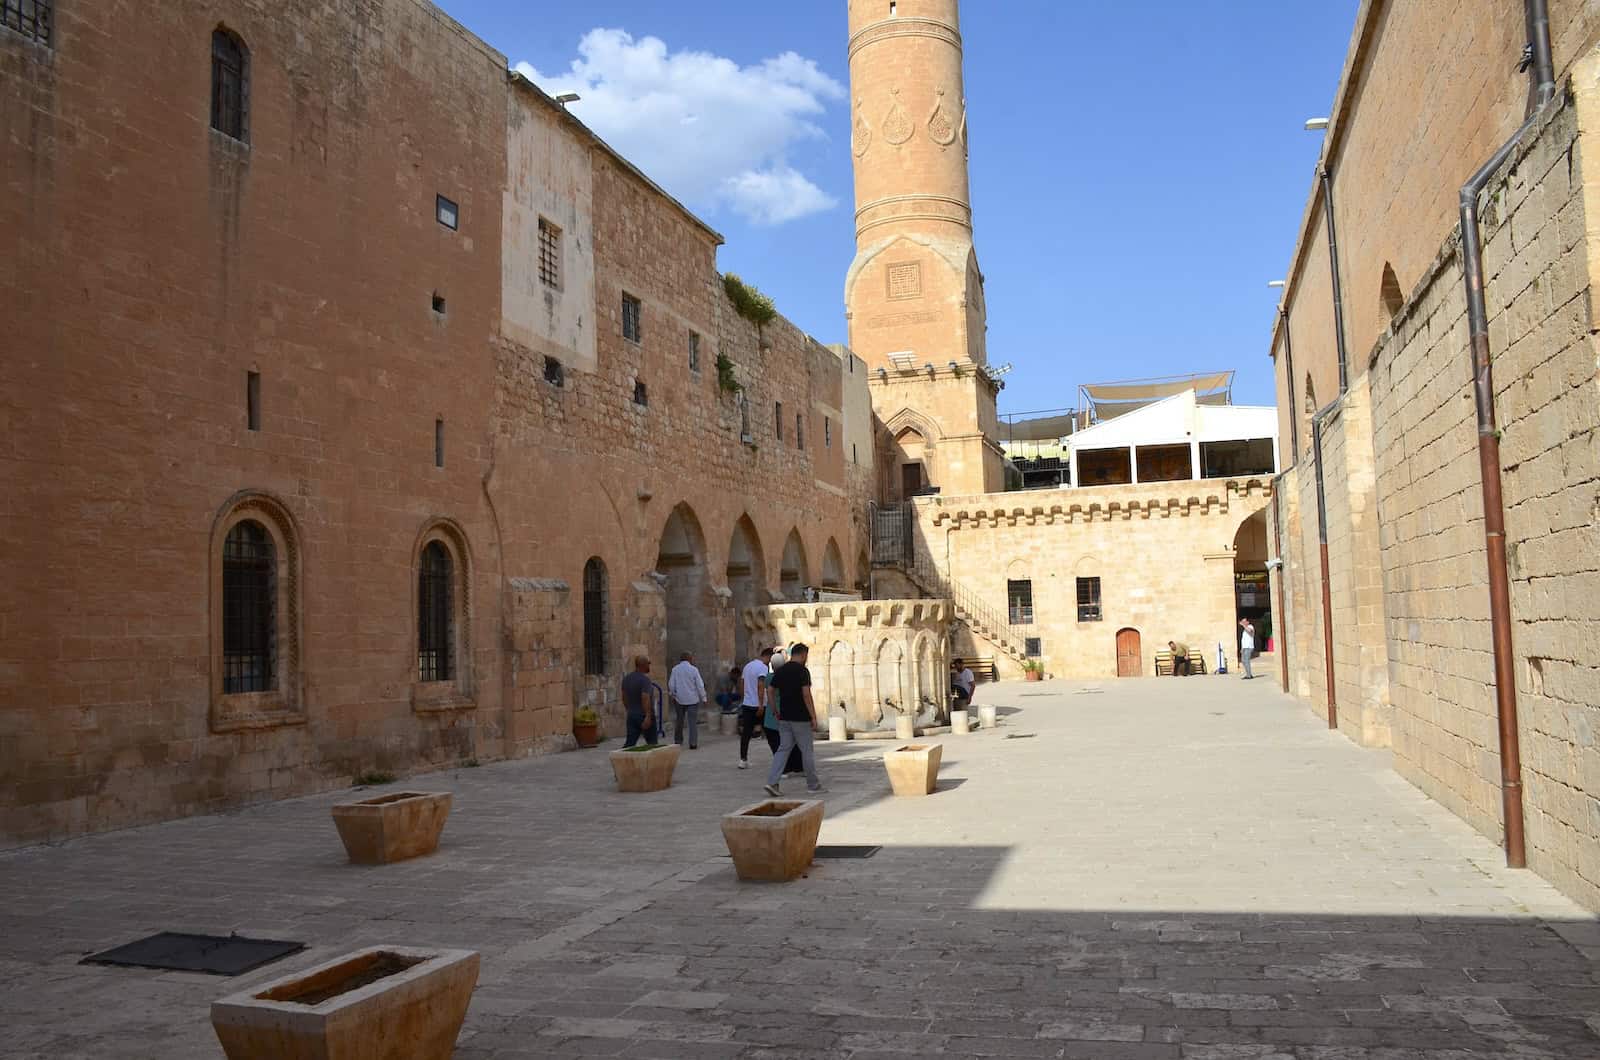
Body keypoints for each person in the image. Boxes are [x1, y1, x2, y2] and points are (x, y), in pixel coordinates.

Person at [763, 643, 825, 796]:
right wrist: (813, 716)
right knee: (807, 751)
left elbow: (770, 690)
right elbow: (806, 694)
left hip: (784, 718)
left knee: (783, 749)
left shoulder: (781, 670)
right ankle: (813, 785)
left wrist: (774, 710)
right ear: (803, 654)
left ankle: (772, 782)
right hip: (800, 718)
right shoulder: (803, 671)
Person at [737, 647, 774, 769]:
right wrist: (760, 704)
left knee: (746, 733)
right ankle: (778, 758)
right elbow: (761, 686)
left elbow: (741, 683)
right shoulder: (763, 668)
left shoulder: (748, 666)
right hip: (759, 705)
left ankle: (743, 760)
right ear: (768, 657)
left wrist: (744, 699)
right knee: (770, 732)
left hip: (747, 704)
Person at [667, 651, 707, 749]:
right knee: (692, 722)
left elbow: (671, 684)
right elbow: (700, 685)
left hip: (679, 699)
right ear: (690, 659)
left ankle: (678, 741)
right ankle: (693, 743)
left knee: (679, 720)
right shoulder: (694, 670)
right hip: (693, 699)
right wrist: (704, 697)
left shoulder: (675, 669)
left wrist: (673, 694)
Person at [620, 656, 657, 747]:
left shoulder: (627, 679)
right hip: (644, 716)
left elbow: (624, 697)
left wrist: (629, 710)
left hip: (632, 715)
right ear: (643, 665)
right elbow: (645, 698)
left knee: (630, 743)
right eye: (648, 664)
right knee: (652, 743)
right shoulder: (645, 680)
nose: (649, 666)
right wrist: (648, 716)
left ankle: (623, 759)